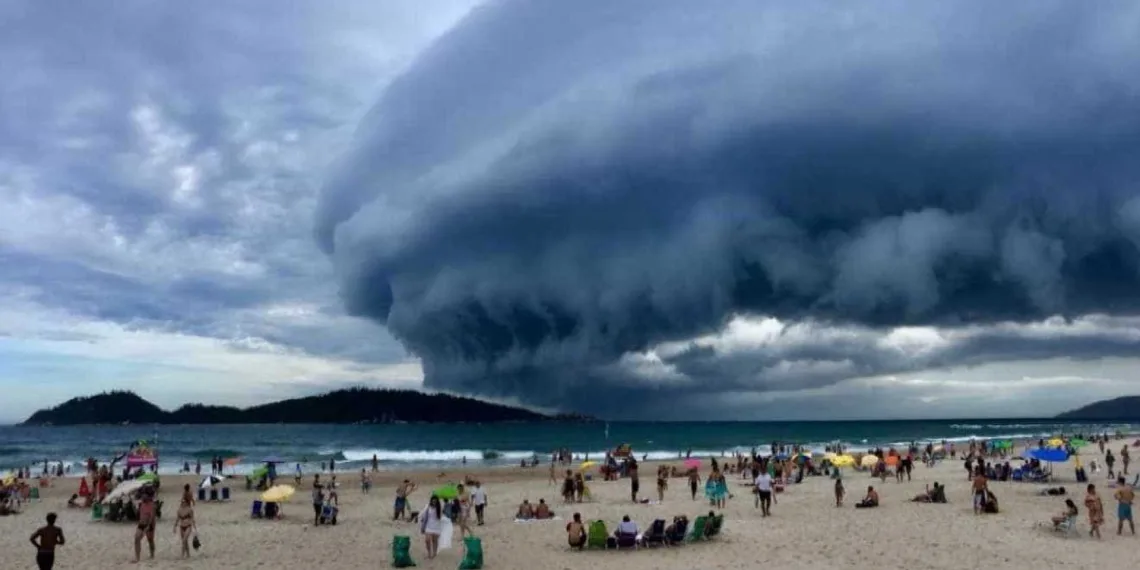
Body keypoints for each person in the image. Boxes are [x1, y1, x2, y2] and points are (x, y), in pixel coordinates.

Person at [133, 493, 157, 563]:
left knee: (150, 540)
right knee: (137, 538)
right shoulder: (141, 504)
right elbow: (140, 515)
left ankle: (152, 555)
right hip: (141, 524)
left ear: (148, 497)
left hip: (149, 524)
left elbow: (152, 517)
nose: (142, 497)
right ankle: (137, 557)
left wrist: (148, 526)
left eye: (144, 496)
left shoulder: (152, 505)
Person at [420, 496, 443, 560]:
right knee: (427, 540)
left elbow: (440, 517)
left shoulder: (439, 508)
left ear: (437, 502)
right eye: (433, 501)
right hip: (428, 526)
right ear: (431, 501)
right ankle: (429, 553)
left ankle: (434, 553)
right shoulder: (428, 507)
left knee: (434, 541)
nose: (434, 502)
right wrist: (422, 520)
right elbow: (424, 514)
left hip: (436, 526)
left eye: (435, 501)